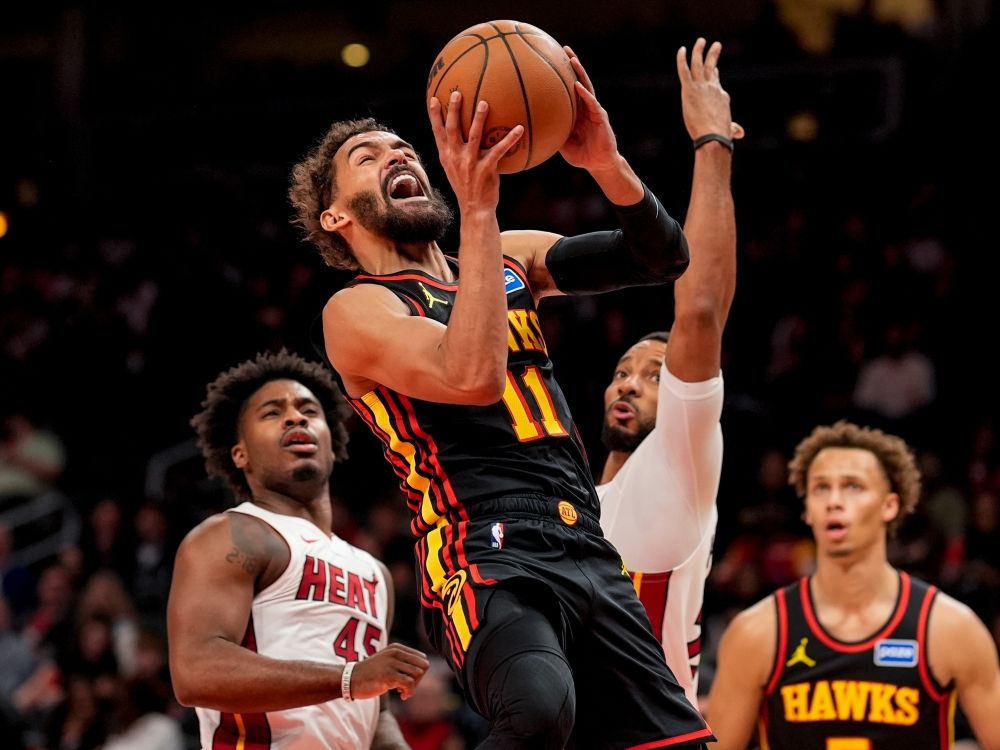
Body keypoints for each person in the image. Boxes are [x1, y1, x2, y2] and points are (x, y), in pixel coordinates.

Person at [288, 35, 740, 749]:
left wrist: (606, 164)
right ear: (336, 217)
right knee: (536, 713)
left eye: (403, 147)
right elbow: (470, 377)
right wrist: (479, 211)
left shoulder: (507, 256)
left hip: (586, 543)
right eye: (367, 159)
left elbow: (662, 257)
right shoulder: (359, 309)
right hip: (483, 546)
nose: (397, 156)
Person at [167, 350, 429, 750]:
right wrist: (350, 678)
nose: (295, 417)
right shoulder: (232, 535)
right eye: (272, 413)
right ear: (240, 453)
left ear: (331, 438)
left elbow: (375, 714)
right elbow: (196, 671)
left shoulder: (375, 572)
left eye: (309, 410)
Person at [706, 420, 1000, 749]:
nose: (833, 500)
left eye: (853, 486)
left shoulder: (951, 628)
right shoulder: (757, 632)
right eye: (820, 488)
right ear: (807, 512)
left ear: (890, 505)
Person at [596, 38, 738, 712]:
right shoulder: (564, 501)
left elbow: (701, 312)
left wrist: (711, 144)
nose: (628, 383)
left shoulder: (676, 469)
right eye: (623, 371)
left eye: (652, 376)